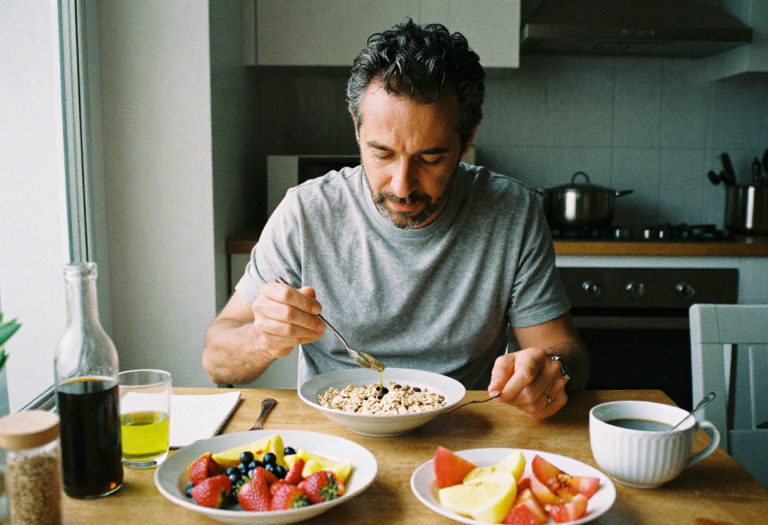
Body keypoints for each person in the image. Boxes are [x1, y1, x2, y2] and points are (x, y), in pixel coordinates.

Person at [203, 19, 588, 419]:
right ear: (356, 129)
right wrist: (263, 338)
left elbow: (565, 351)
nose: (402, 186)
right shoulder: (306, 212)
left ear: (468, 137)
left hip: (465, 432)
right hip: (334, 441)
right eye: (382, 154)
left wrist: (550, 371)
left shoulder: (512, 212)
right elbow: (217, 360)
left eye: (430, 158)